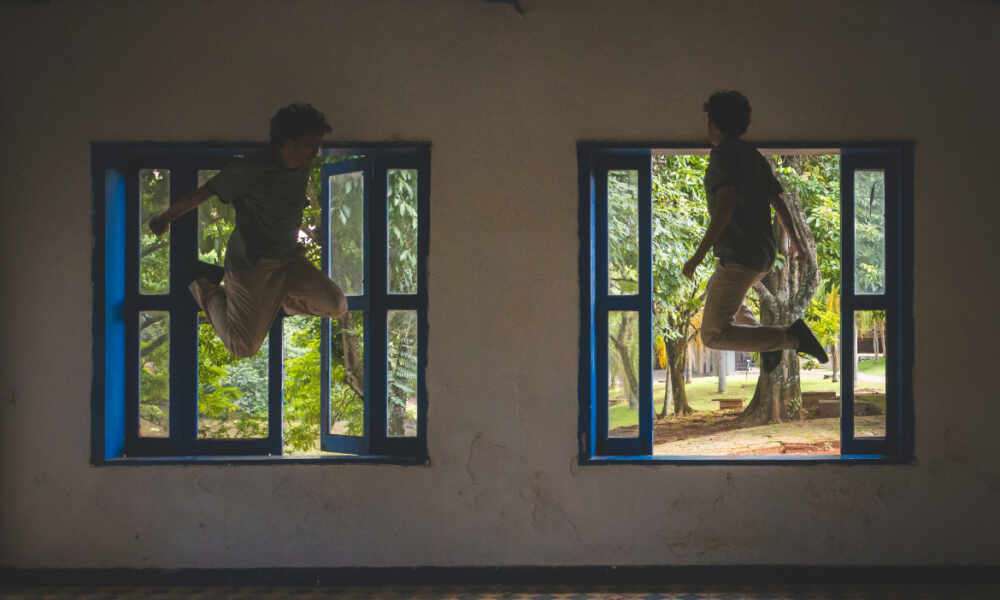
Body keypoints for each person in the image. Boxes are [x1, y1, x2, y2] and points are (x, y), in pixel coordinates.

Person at [149, 103, 347, 358]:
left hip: (289, 260)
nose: (314, 154)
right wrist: (167, 217)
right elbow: (204, 193)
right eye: (309, 146)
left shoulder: (300, 166)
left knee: (336, 305)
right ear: (287, 143)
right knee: (242, 346)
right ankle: (205, 285)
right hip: (252, 267)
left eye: (317, 146)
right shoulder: (249, 169)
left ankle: (273, 305)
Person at [682, 91, 827, 373]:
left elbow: (724, 209)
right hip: (762, 255)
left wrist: (697, 257)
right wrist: (796, 241)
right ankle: (767, 344)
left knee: (712, 335)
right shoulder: (754, 156)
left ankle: (790, 338)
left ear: (715, 124)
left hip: (740, 255)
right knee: (716, 288)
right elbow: (778, 202)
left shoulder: (723, 157)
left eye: (709, 121)